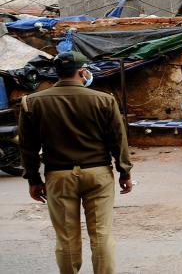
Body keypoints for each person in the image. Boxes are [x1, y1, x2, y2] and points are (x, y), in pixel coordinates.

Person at [18, 51, 133, 274]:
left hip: (58, 176)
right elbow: (118, 140)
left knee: (66, 238)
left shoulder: (31, 103)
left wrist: (33, 179)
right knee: (101, 234)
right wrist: (124, 172)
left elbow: (27, 147)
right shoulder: (104, 100)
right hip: (98, 173)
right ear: (82, 72)